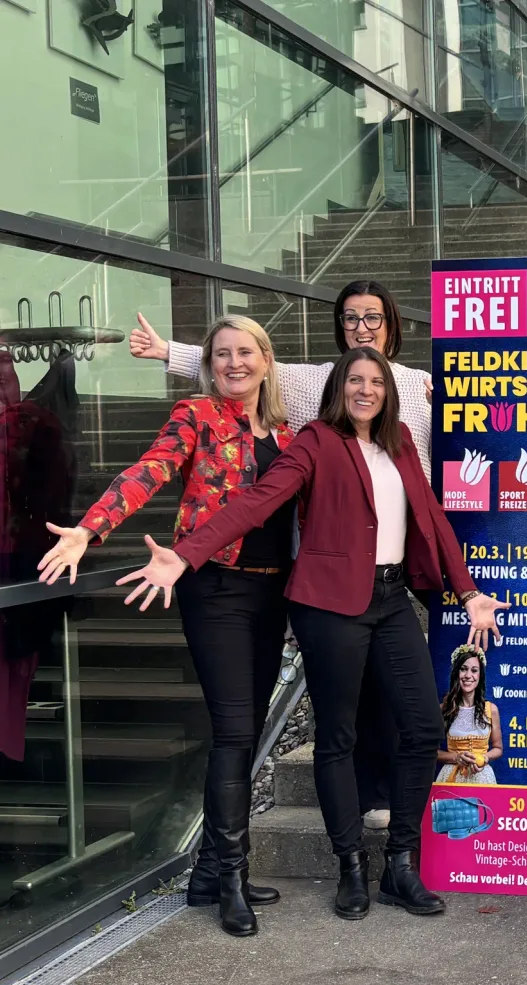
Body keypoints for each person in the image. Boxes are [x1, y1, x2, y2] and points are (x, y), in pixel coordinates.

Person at [116, 347, 509, 922]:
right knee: (338, 739)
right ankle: (351, 865)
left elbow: (431, 516)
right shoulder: (315, 441)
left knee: (424, 728)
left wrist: (469, 592)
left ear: (388, 389)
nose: (366, 390)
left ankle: (401, 863)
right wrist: (187, 554)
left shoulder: (399, 441)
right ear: (339, 386)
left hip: (392, 599)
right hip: (330, 607)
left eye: (376, 381)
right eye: (356, 380)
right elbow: (256, 501)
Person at [130, 280, 430, 832]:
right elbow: (242, 361)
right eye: (349, 319)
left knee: (400, 695)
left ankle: (387, 807)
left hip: (394, 562)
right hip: (323, 568)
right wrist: (168, 352)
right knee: (339, 703)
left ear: (392, 323)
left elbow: (438, 473)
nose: (360, 328)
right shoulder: (317, 384)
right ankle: (351, 813)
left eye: (371, 318)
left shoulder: (422, 388)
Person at [36, 316, 292, 937]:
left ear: (265, 359)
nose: (234, 363)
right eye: (222, 354)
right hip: (217, 589)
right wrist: (89, 529)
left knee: (248, 729)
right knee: (234, 733)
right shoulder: (197, 414)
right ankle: (230, 878)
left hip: (272, 589)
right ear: (210, 363)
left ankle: (209, 871)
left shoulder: (286, 432)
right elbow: (149, 470)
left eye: (245, 352)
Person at [436, 644, 502, 784]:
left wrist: (485, 758)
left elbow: (498, 748)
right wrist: (456, 757)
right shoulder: (443, 709)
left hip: (482, 777)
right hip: (451, 777)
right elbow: (432, 751)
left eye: (474, 670)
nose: (468, 675)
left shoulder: (491, 709)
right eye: (463, 669)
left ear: (480, 675)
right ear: (456, 673)